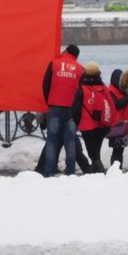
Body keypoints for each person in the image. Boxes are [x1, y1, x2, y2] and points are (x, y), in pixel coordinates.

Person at [41, 44, 84, 177]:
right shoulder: (80, 68)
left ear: (66, 51)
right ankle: (70, 172)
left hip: (54, 107)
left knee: (52, 141)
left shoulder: (54, 64)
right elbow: (81, 92)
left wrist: (50, 101)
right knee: (70, 141)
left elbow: (45, 85)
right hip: (70, 109)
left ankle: (49, 172)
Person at [106, 68, 128, 170]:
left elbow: (127, 105)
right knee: (117, 150)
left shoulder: (122, 91)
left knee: (120, 150)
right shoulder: (110, 91)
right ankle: (115, 171)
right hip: (116, 126)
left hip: (123, 124)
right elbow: (117, 105)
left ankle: (117, 170)